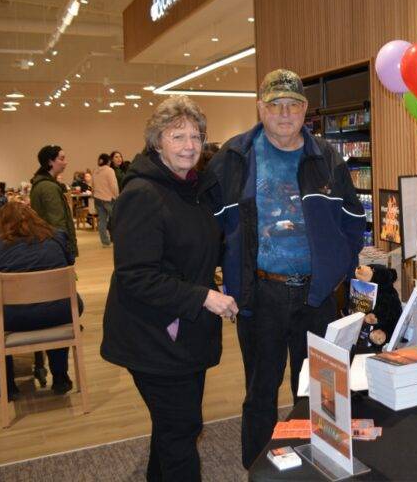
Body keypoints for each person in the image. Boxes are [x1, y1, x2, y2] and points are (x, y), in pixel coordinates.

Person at [209, 69, 366, 468]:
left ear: (304, 111)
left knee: (319, 389)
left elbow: (352, 219)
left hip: (317, 296)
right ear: (260, 107)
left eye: (292, 105)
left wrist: (339, 270)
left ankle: (316, 465)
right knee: (261, 390)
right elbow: (209, 222)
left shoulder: (327, 157)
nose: (283, 113)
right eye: (275, 104)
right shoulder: (234, 156)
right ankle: (259, 469)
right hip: (260, 294)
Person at [100, 96, 237, 482]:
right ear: (157, 142)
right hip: (151, 336)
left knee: (176, 426)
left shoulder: (192, 189)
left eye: (196, 135)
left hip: (184, 333)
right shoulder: (143, 193)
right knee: (181, 429)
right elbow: (136, 274)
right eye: (177, 136)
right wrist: (205, 296)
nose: (189, 145)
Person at [0, 202, 80, 399]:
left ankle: (6, 384)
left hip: (14, 318)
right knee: (55, 306)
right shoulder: (57, 237)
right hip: (61, 311)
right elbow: (69, 263)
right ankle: (60, 376)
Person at [30, 145, 77, 258]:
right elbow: (57, 222)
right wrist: (65, 248)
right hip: (54, 246)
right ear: (50, 162)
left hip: (47, 243)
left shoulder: (44, 184)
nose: (65, 162)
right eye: (61, 159)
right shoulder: (48, 187)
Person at [92, 153, 120, 247]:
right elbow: (113, 185)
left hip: (98, 199)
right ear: (108, 161)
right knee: (117, 219)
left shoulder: (95, 171)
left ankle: (105, 242)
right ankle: (119, 239)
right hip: (108, 199)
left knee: (102, 221)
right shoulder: (109, 170)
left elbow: (93, 185)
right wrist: (117, 196)